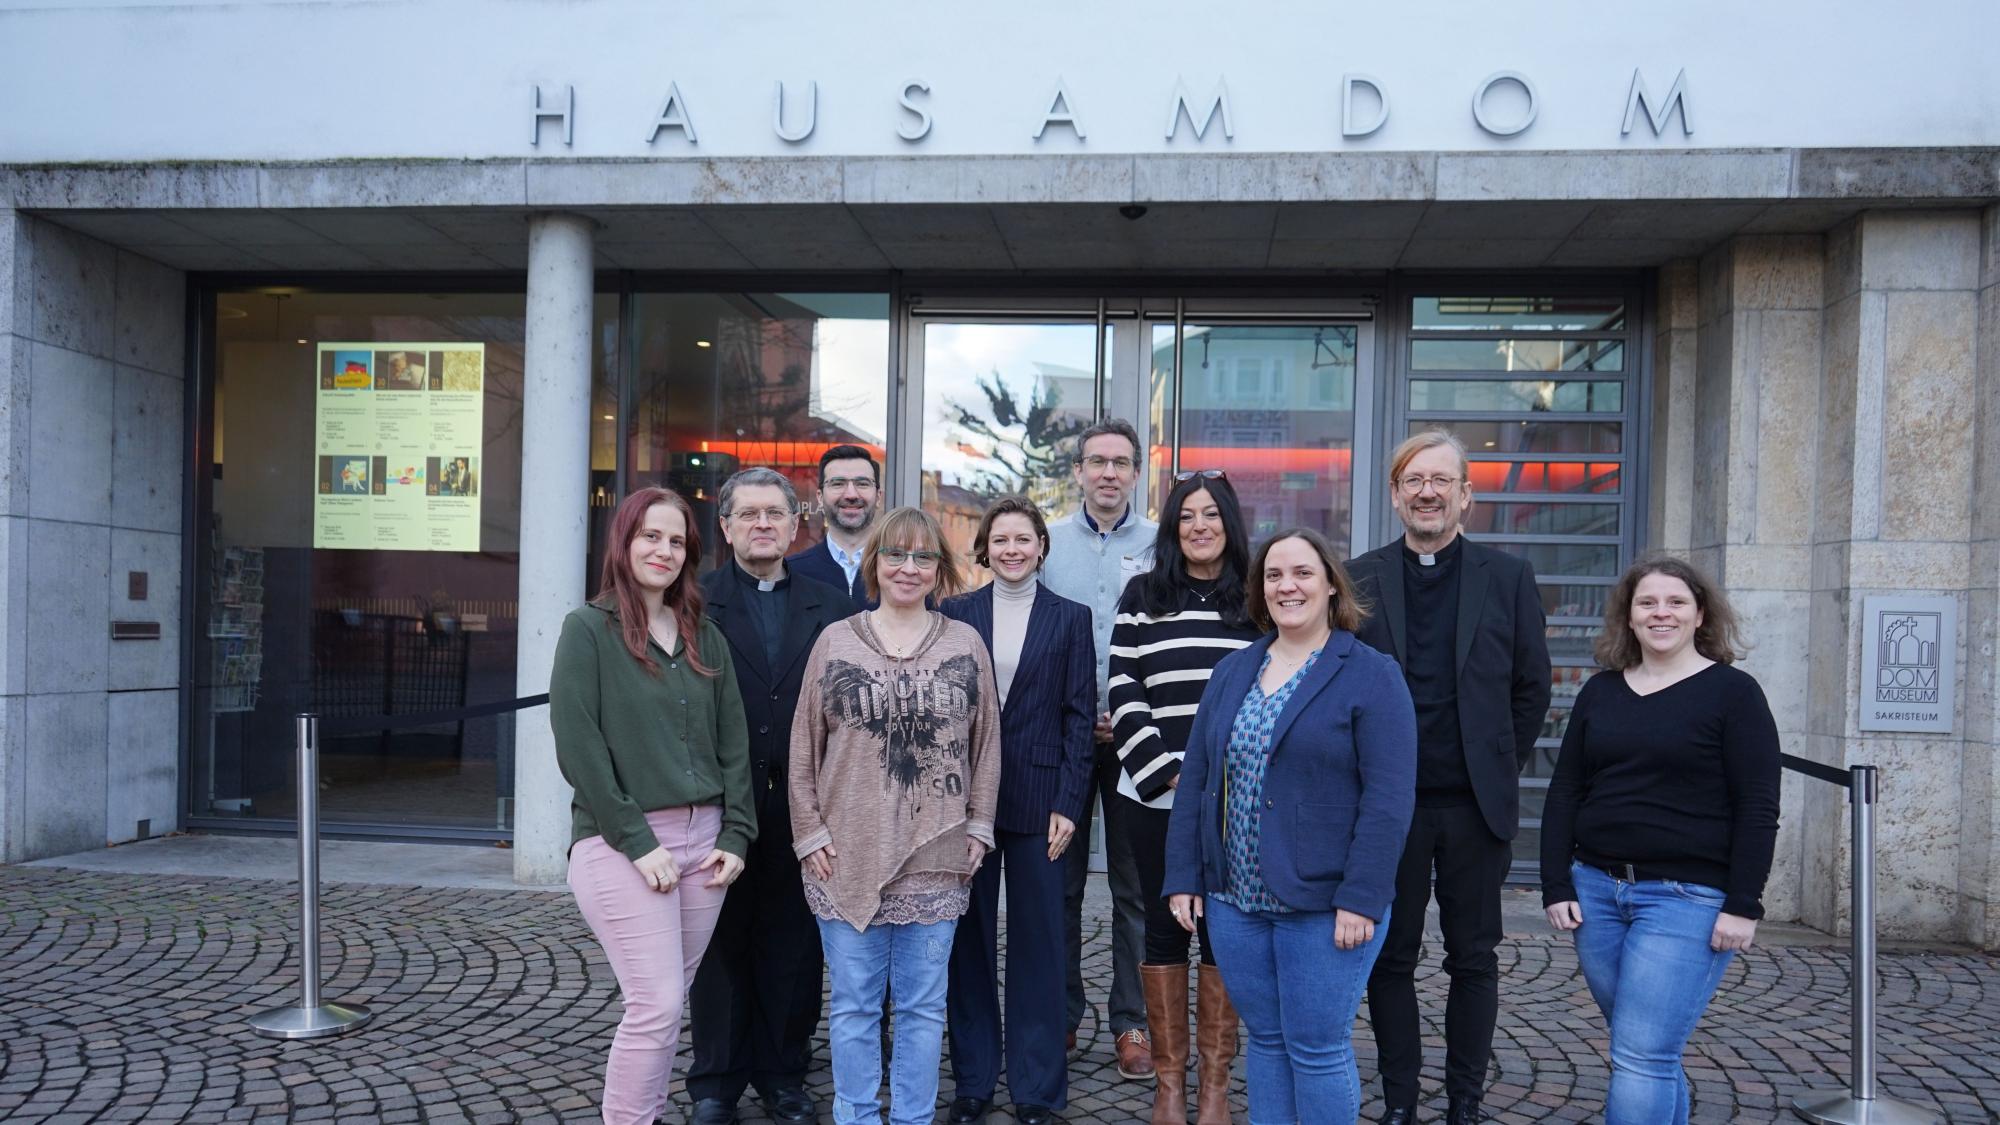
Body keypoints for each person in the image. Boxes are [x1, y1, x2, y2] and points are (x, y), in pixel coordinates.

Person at [1165, 528, 1417, 1125]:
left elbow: (1388, 800)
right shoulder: (1233, 670)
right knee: (1269, 1043)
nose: (1288, 586)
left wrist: (1363, 896)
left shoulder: (1372, 673)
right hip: (1236, 900)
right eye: (1274, 575)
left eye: (1303, 573)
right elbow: (1198, 780)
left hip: (1326, 904)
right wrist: (1185, 876)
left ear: (1331, 584)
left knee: (1317, 1047)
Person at [1350, 430, 1551, 1125]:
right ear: (1396, 495)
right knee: (1391, 957)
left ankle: (1464, 1101)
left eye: (1441, 480)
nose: (1427, 491)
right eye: (1413, 480)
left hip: (1473, 805)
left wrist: (1498, 762)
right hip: (1387, 806)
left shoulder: (1508, 577)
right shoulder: (1360, 577)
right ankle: (1401, 1100)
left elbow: (1533, 687)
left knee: (1474, 957)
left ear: (1467, 493)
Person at [1540, 555, 1780, 1125]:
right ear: (1628, 615)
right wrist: (1556, 883)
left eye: (1675, 602)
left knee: (1640, 1054)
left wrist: (1743, 905)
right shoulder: (1601, 692)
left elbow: (1758, 807)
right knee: (1647, 1051)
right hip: (1596, 894)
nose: (1661, 613)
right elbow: (1566, 789)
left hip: (1687, 900)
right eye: (1647, 602)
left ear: (1700, 615)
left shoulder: (1734, 694)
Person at [790, 506, 1003, 1125]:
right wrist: (809, 833)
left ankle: (911, 1118)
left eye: (923, 556)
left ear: (939, 568)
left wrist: (981, 825)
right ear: (874, 563)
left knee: (921, 1008)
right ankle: (856, 1117)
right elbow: (804, 747)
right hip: (846, 853)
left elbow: (988, 743)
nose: (908, 568)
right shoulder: (835, 641)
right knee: (854, 1006)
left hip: (937, 855)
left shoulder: (965, 643)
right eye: (895, 555)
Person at [550, 486, 754, 1125]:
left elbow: (734, 744)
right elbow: (579, 747)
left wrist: (738, 834)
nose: (663, 550)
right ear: (624, 541)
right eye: (650, 536)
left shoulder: (702, 633)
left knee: (668, 1002)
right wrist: (638, 842)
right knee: (658, 1003)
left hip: (707, 847)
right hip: (621, 842)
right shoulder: (588, 630)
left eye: (675, 540)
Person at [687, 468, 853, 1125]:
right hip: (720, 800)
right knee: (720, 941)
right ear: (724, 526)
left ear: (794, 525)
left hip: (807, 805)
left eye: (775, 514)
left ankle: (786, 1074)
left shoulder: (832, 606)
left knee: (794, 942)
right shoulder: (694, 602)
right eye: (748, 513)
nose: (763, 524)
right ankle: (716, 1082)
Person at [1109, 469, 1262, 1125]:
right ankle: (1170, 1086)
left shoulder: (1257, 600)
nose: (1200, 526)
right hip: (1153, 793)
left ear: (1230, 522)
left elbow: (1269, 694)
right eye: (1187, 516)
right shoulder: (1144, 594)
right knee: (1164, 928)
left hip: (1237, 800)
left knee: (1224, 934)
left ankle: (1215, 1089)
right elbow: (1122, 687)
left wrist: (1225, 780)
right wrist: (1169, 771)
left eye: (1212, 514)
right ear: (1173, 526)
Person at [939, 497, 1097, 1125]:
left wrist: (1070, 802)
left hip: (1040, 801)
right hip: (966, 801)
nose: (1011, 549)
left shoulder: (1070, 618)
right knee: (967, 944)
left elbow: (1080, 717)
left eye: (1022, 539)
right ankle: (974, 1083)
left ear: (1040, 547)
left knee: (1039, 945)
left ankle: (1036, 1090)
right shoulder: (954, 615)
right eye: (1000, 539)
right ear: (985, 547)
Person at [1040, 418, 1157, 1078]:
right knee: (1059, 883)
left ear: (1136, 472)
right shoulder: (1049, 543)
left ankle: (1132, 1021)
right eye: (1097, 461)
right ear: (1079, 471)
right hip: (1064, 738)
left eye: (1120, 462)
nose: (1108, 472)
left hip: (1139, 739)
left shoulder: (1163, 544)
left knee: (1136, 887)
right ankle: (1059, 1015)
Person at [788, 444, 881, 610]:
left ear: (878, 496)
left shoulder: (903, 573)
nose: (851, 494)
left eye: (862, 483)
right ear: (820, 497)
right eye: (838, 484)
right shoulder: (791, 573)